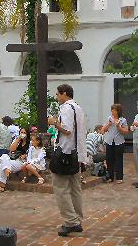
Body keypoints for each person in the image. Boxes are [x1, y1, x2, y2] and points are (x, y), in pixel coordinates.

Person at [48, 84, 87, 237]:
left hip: (65, 153)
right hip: (76, 154)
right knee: (75, 188)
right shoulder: (78, 108)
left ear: (64, 94)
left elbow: (67, 130)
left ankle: (71, 222)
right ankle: (76, 218)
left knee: (61, 188)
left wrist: (54, 122)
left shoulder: (66, 108)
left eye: (58, 94)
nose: (57, 97)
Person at [0, 128, 30, 193]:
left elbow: (31, 153)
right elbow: (11, 149)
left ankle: (2, 186)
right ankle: (7, 169)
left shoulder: (30, 142)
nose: (22, 134)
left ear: (27, 134)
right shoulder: (17, 140)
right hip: (12, 159)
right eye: (21, 132)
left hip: (21, 162)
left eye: (24, 133)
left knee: (2, 165)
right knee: (4, 156)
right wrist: (18, 139)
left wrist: (25, 155)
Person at [102, 104, 129, 184]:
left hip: (119, 142)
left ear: (118, 111)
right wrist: (109, 124)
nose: (112, 112)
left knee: (118, 159)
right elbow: (104, 129)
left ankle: (119, 177)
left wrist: (118, 127)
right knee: (109, 159)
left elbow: (126, 131)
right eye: (112, 110)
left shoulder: (123, 120)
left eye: (114, 110)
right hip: (109, 141)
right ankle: (110, 176)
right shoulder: (109, 118)